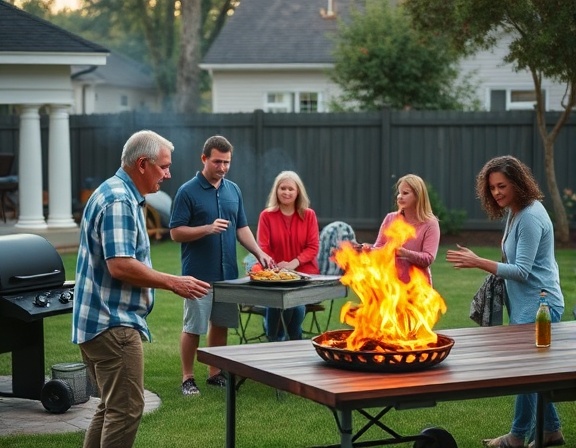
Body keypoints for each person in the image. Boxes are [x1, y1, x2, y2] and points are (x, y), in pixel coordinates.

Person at [72, 130, 211, 448]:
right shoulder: (120, 200)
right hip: (113, 326)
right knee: (127, 410)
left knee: (110, 407)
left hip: (94, 323)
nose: (168, 174)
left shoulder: (110, 190)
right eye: (164, 166)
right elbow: (119, 265)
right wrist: (174, 282)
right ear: (143, 164)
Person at [446, 155, 565, 448]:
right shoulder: (515, 211)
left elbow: (523, 271)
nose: (497, 192)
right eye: (492, 188)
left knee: (527, 374)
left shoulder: (530, 217)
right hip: (525, 305)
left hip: (541, 306)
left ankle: (518, 436)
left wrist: (478, 262)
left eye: (502, 186)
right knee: (530, 374)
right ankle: (549, 431)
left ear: (518, 183)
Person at [170, 135, 274, 396]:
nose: (223, 167)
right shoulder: (187, 191)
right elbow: (175, 232)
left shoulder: (233, 190)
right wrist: (207, 228)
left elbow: (242, 228)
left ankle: (215, 373)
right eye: (217, 162)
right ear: (204, 159)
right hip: (198, 274)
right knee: (193, 327)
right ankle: (187, 377)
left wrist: (259, 252)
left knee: (221, 325)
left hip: (228, 275)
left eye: (227, 162)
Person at [256, 170, 320, 341]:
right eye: (282, 188)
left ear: (298, 191)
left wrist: (293, 263)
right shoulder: (266, 216)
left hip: (303, 275)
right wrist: (276, 268)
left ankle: (275, 336)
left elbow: (313, 247)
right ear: (276, 191)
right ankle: (284, 339)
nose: (286, 192)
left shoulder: (309, 215)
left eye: (291, 189)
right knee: (281, 302)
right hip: (274, 275)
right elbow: (263, 247)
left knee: (295, 306)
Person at [363, 174, 440, 285]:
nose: (399, 196)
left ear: (418, 196)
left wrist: (404, 253)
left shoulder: (430, 223)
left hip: (417, 288)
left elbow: (428, 258)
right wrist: (368, 249)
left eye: (405, 193)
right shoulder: (390, 218)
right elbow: (379, 248)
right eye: (399, 192)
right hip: (390, 286)